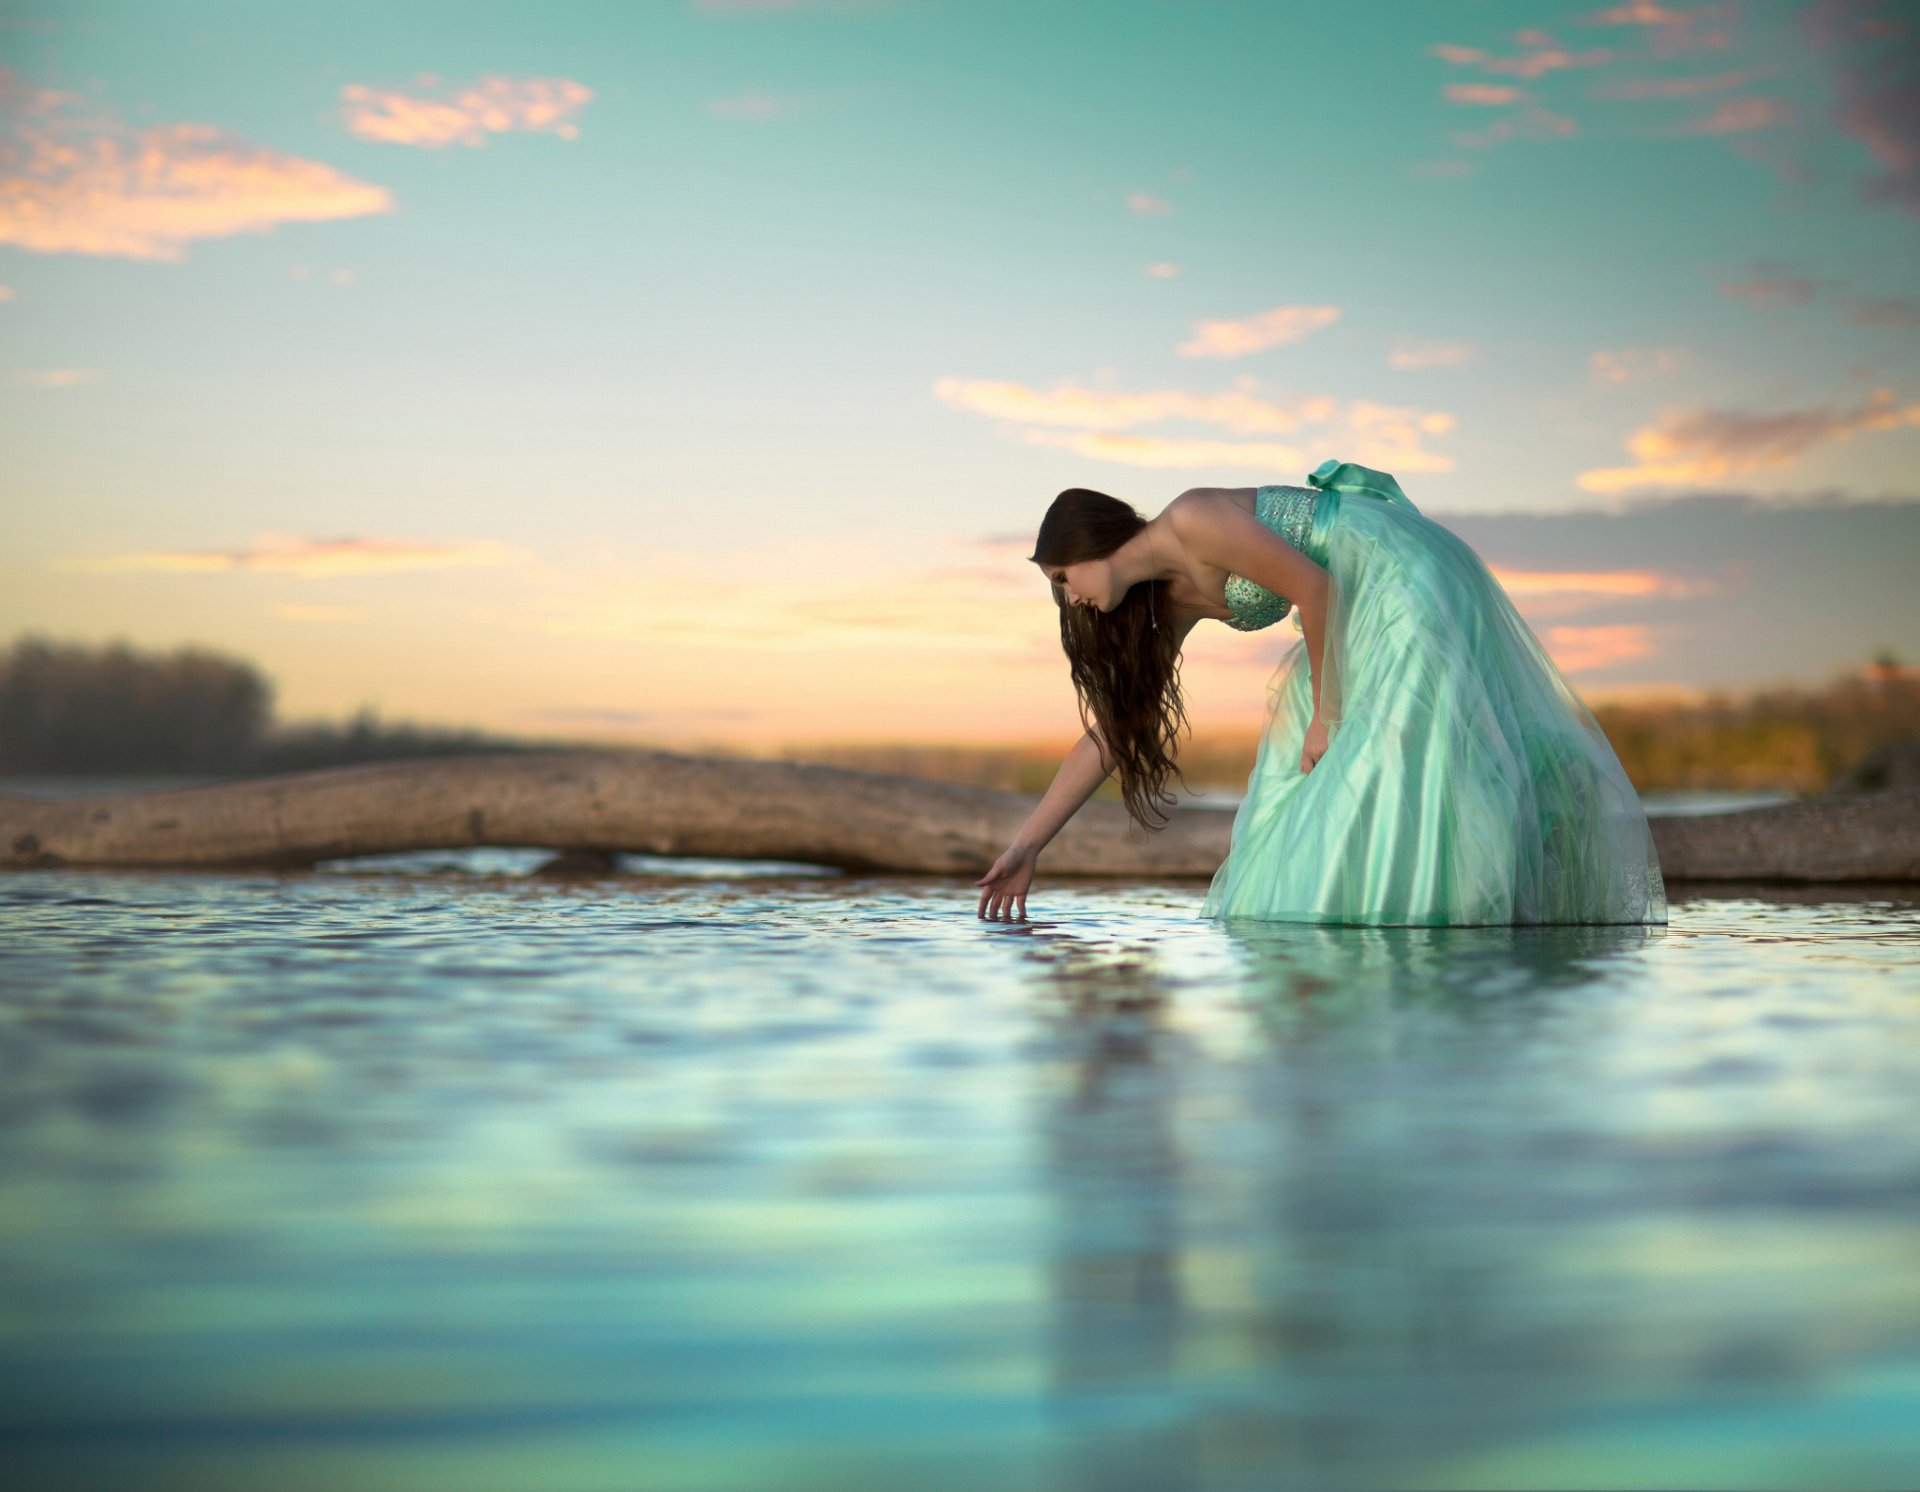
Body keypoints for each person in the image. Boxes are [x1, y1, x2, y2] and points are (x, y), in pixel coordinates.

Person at [975, 459, 1668, 927]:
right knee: (1297, 787)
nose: (1069, 599)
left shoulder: (1191, 519)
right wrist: (1030, 845)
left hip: (1394, 574)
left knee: (1378, 747)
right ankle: (1359, 938)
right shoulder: (1164, 604)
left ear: (1092, 544)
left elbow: (1315, 586)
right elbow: (1109, 736)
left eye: (1064, 578)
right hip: (1342, 614)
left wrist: (1329, 712)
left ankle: (1444, 923)